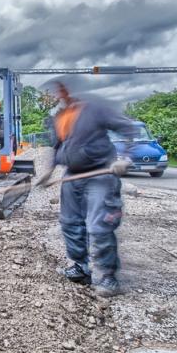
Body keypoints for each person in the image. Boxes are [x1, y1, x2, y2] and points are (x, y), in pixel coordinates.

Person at [43, 78, 137, 298]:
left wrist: (126, 157)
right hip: (72, 176)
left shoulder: (94, 109)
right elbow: (58, 145)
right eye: (56, 91)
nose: (59, 94)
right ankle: (80, 268)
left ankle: (108, 277)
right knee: (70, 224)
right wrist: (49, 170)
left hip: (100, 174)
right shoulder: (59, 116)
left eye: (62, 89)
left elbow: (129, 128)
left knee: (99, 225)